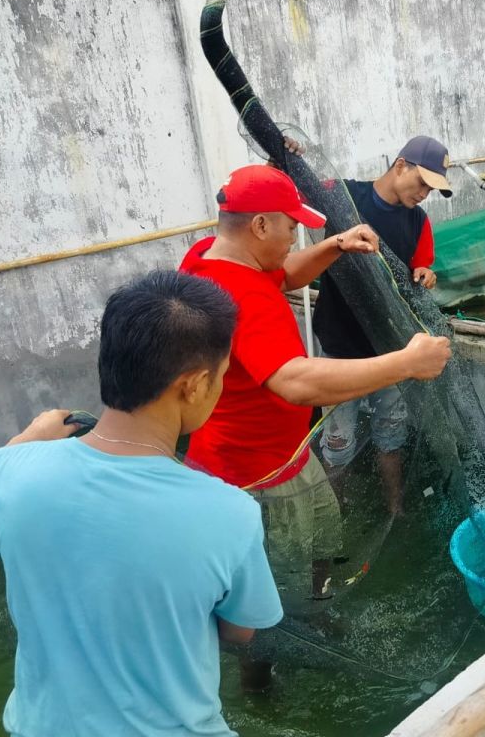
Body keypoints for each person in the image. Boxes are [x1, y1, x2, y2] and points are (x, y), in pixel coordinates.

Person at [0, 270, 282, 737]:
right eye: (222, 375)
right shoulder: (230, 511)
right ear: (193, 385)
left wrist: (23, 440)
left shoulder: (12, 472)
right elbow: (240, 631)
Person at [178, 164, 450, 687]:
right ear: (259, 226)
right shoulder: (243, 296)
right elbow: (296, 383)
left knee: (323, 538)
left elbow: (284, 273)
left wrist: (335, 246)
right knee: (261, 592)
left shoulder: (208, 259)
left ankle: (316, 610)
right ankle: (259, 674)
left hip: (289, 455)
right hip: (255, 479)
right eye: (290, 228)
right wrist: (405, 363)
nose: (294, 237)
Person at [311, 135, 452, 515]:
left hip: (392, 349)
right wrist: (285, 154)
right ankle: (333, 515)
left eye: (432, 189)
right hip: (339, 347)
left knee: (390, 435)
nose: (424, 194)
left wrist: (425, 272)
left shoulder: (418, 221)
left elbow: (423, 264)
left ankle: (395, 507)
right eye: (422, 183)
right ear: (401, 165)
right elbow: (295, 187)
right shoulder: (345, 196)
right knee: (337, 442)